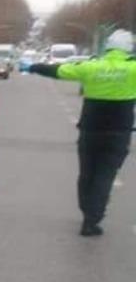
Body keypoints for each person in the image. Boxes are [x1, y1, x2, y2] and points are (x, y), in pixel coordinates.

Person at [29, 30, 136, 236]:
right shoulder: (133, 69)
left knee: (87, 174)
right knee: (105, 176)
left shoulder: (91, 66)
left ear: (108, 47)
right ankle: (92, 219)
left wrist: (34, 67)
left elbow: (59, 71)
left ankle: (87, 210)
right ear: (129, 48)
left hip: (90, 130)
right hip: (118, 132)